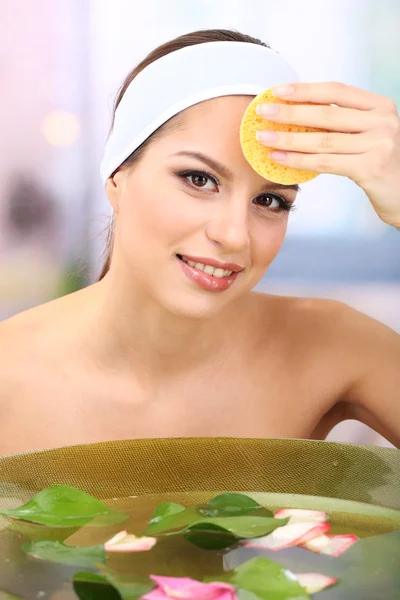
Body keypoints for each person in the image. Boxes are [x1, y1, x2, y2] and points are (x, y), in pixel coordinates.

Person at [0, 29, 399, 456]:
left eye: (270, 200)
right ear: (117, 177)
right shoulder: (9, 372)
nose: (233, 235)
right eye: (199, 179)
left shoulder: (332, 347)